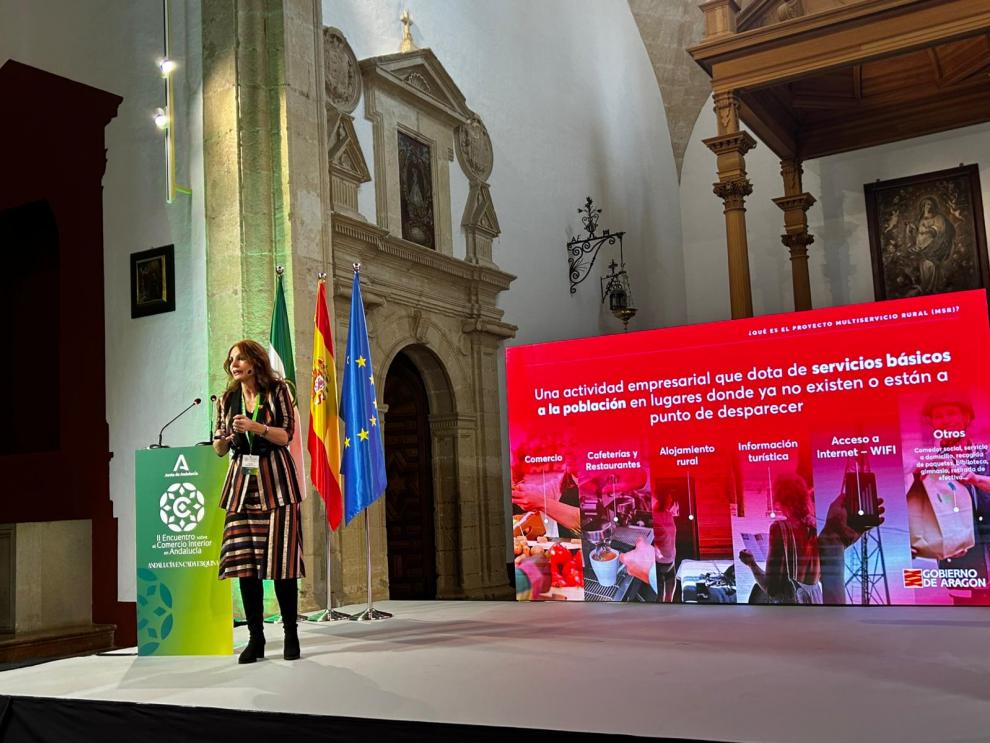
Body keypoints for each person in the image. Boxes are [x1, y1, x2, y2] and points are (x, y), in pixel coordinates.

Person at [213, 340, 305, 663]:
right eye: (231, 359)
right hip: (242, 486)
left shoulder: (278, 391)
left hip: (277, 484)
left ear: (254, 361)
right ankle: (256, 639)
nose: (234, 363)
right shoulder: (227, 399)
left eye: (239, 358)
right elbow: (220, 448)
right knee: (245, 565)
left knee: (282, 564)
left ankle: (291, 635)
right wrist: (223, 440)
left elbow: (286, 436)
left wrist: (256, 427)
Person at [914, 392, 990, 605]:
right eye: (938, 416)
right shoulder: (927, 463)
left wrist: (975, 479)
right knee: (965, 617)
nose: (945, 420)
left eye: (951, 413)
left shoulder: (985, 455)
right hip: (960, 560)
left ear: (967, 418)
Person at [739, 472, 823, 604]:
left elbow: (771, 589)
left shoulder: (779, 528)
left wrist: (751, 563)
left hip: (792, 608)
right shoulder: (816, 528)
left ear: (780, 499)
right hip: (817, 600)